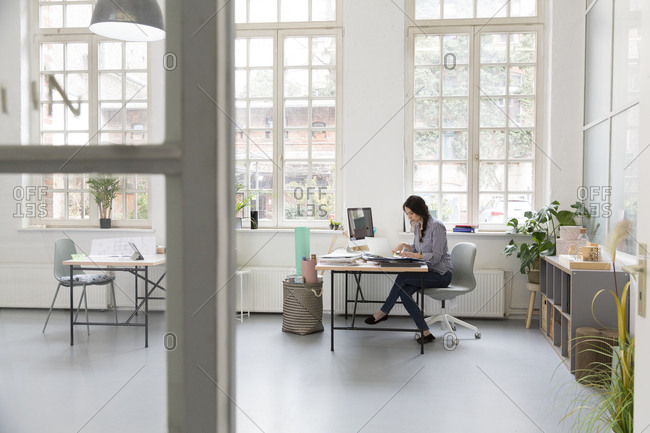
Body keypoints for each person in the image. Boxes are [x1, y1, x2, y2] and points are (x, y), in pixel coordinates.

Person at [364, 195, 453, 344]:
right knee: (404, 293)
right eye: (407, 214)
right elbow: (417, 249)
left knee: (403, 277)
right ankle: (425, 333)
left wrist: (414, 255)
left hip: (441, 274)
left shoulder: (437, 226)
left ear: (420, 210)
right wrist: (404, 246)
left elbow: (436, 257)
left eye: (411, 213)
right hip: (426, 271)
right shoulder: (418, 226)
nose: (409, 217)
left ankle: (383, 312)